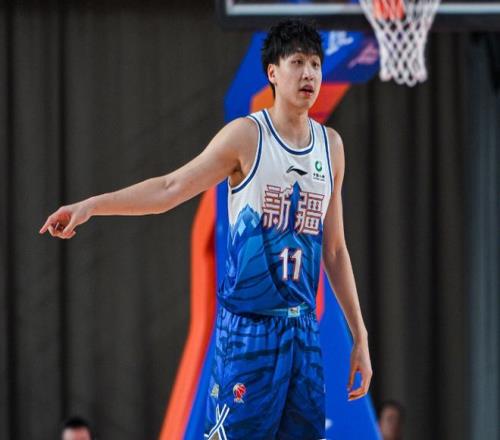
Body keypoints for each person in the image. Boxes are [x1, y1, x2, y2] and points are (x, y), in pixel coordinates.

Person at [40, 19, 372, 439]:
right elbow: (169, 188)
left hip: (302, 331)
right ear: (273, 72)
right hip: (249, 330)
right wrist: (91, 206)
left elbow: (335, 250)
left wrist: (360, 334)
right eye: (298, 62)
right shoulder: (246, 136)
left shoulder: (331, 146)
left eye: (316, 64)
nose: (309, 74)